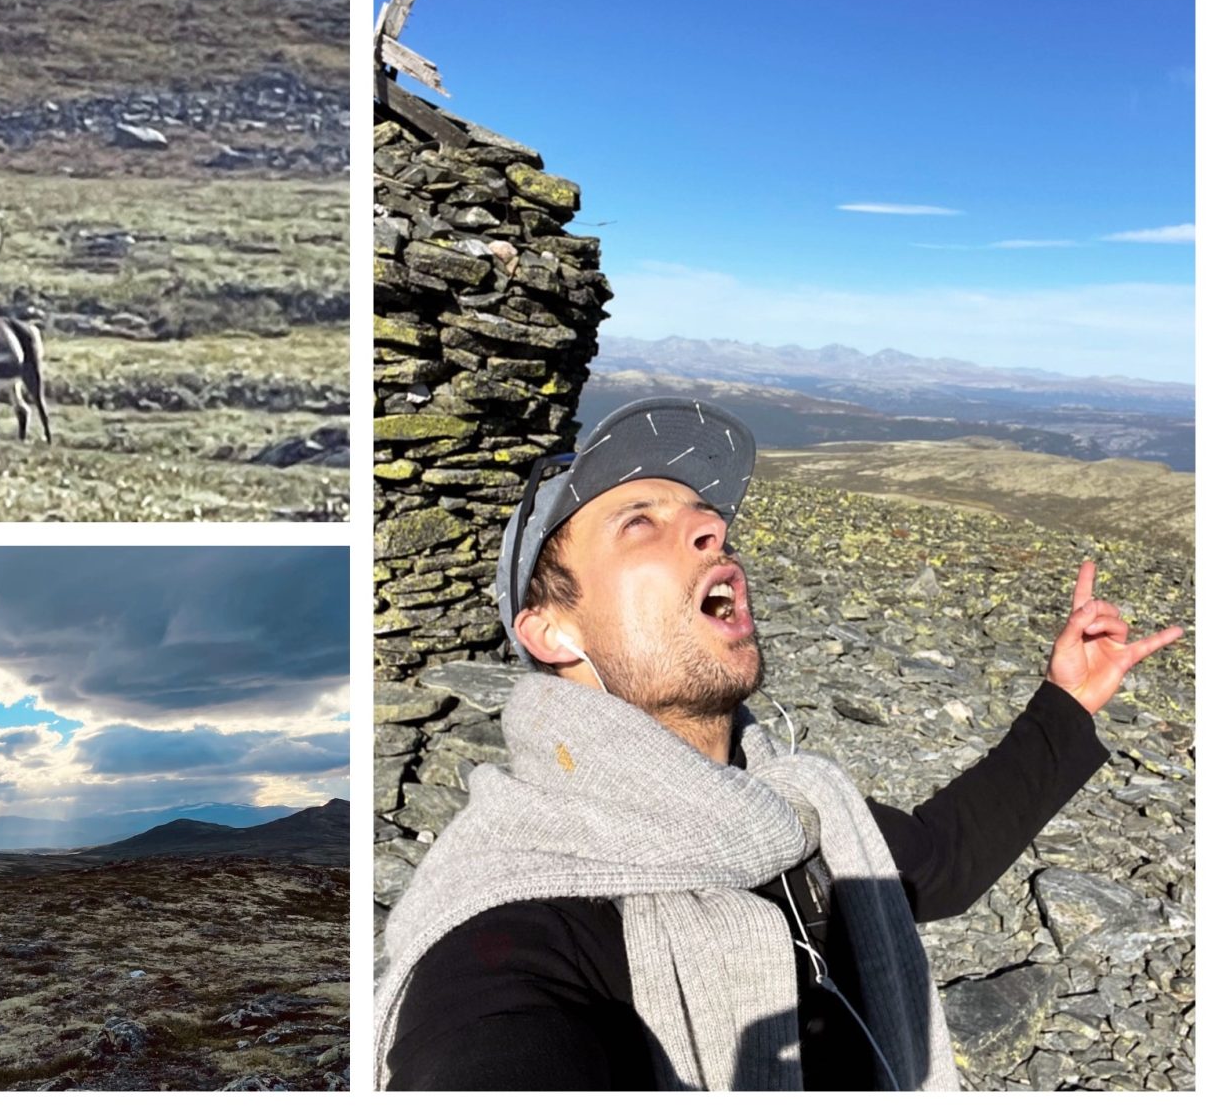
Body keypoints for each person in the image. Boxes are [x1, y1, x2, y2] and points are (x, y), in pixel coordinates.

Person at [374, 396, 1182, 1091]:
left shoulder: (784, 812)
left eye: (705, 515)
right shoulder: (510, 925)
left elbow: (941, 861)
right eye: (640, 521)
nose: (710, 528)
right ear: (550, 631)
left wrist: (1067, 701)